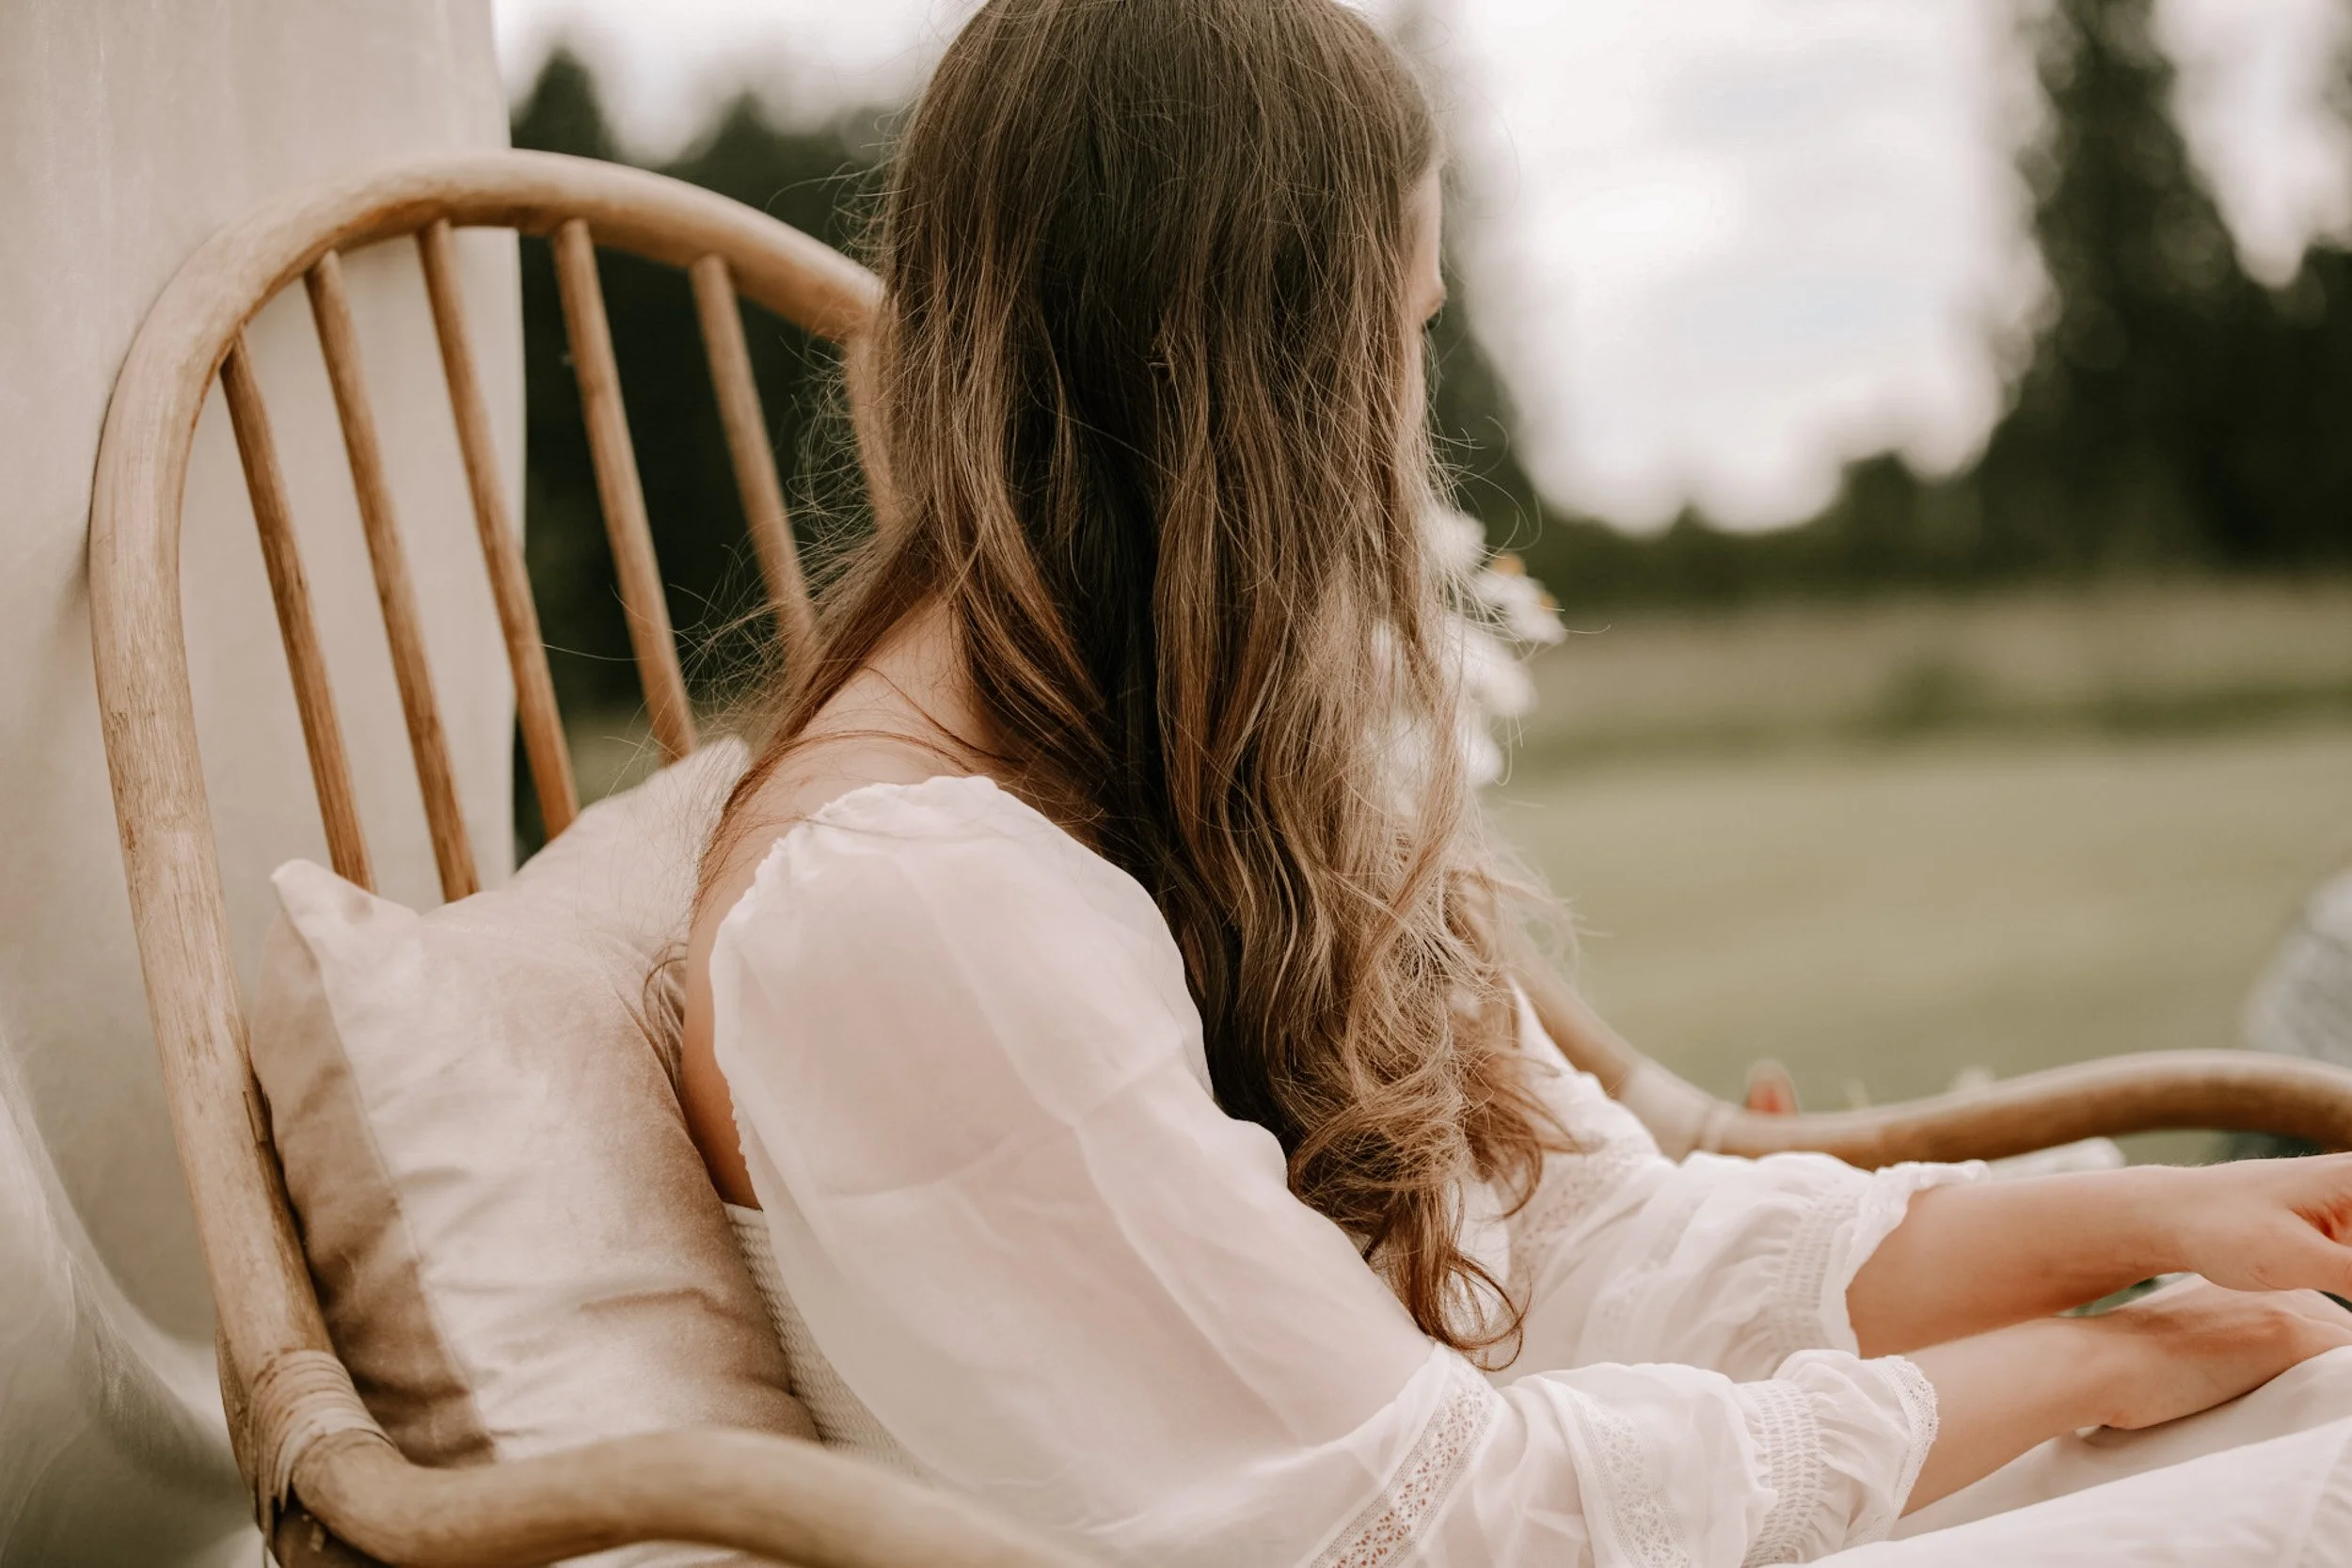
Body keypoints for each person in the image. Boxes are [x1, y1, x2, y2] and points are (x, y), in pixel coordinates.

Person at [674, 1, 2352, 1561]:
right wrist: (2084, 1364)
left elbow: (1577, 1243)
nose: (1412, 420)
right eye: (1405, 333)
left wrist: (2169, 1225)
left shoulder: (1163, 777)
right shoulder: (910, 909)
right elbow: (1418, 1520)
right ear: (1277, 385)